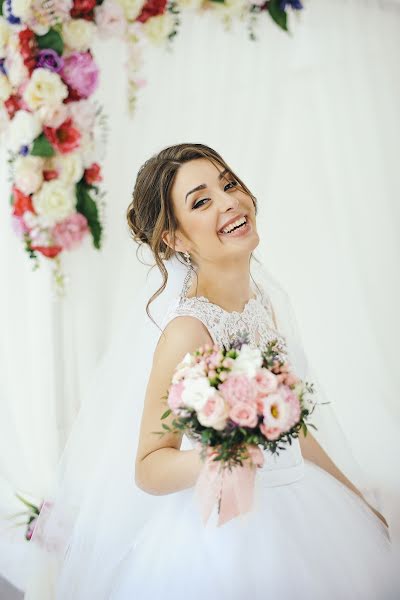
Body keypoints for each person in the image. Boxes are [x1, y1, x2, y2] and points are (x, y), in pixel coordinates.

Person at [26, 143, 399, 600]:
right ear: (176, 239)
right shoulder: (188, 331)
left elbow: (291, 427)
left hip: (301, 501)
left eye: (229, 184)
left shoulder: (260, 304)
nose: (229, 202)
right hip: (226, 528)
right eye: (201, 201)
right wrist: (222, 458)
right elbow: (148, 466)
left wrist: (357, 499)